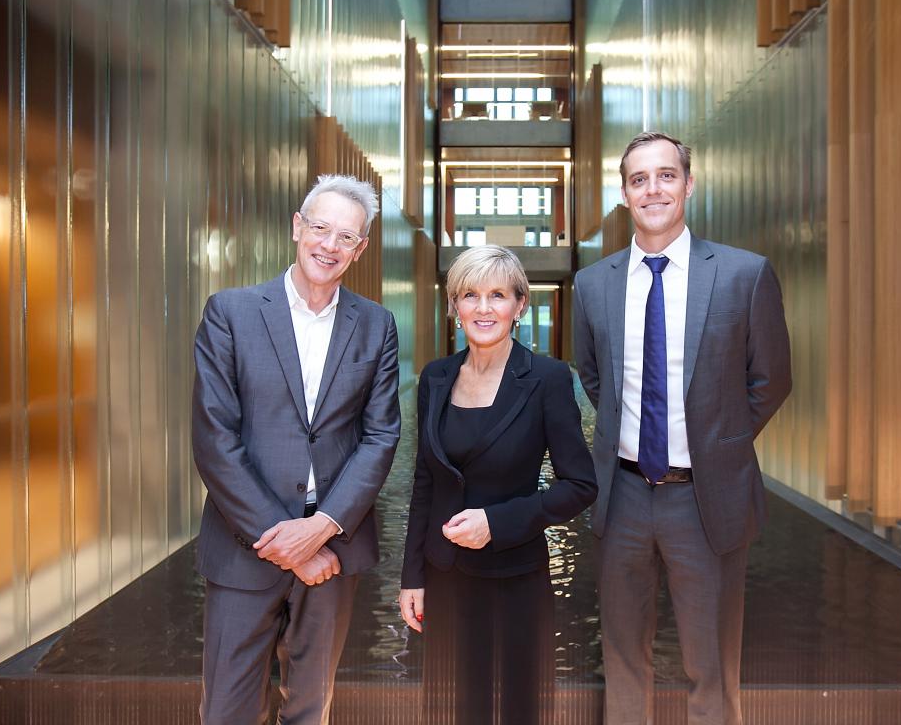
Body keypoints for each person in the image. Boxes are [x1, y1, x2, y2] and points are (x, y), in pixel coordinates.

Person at [572, 132, 792, 725]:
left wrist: (717, 442)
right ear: (624, 194)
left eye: (666, 175)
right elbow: (594, 378)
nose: (654, 189)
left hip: (706, 497)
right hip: (621, 498)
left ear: (688, 185)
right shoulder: (594, 285)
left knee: (711, 664)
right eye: (639, 179)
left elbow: (770, 381)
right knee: (621, 657)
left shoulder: (745, 275)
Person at [192, 174, 400, 724]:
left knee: (311, 709)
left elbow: (381, 436)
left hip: (333, 549)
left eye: (346, 237)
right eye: (321, 228)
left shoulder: (376, 325)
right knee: (228, 710)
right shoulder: (230, 313)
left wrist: (321, 527)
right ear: (296, 227)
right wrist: (287, 542)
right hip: (243, 546)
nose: (329, 245)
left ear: (360, 250)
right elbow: (214, 438)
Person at [399, 245, 597, 725]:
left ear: (519, 305)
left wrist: (498, 521)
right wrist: (412, 577)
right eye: (470, 295)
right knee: (452, 709)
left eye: (497, 295)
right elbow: (425, 482)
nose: (483, 308)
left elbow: (580, 485)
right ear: (454, 305)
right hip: (445, 576)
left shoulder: (547, 379)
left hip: (515, 576)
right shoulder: (436, 378)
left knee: (518, 708)